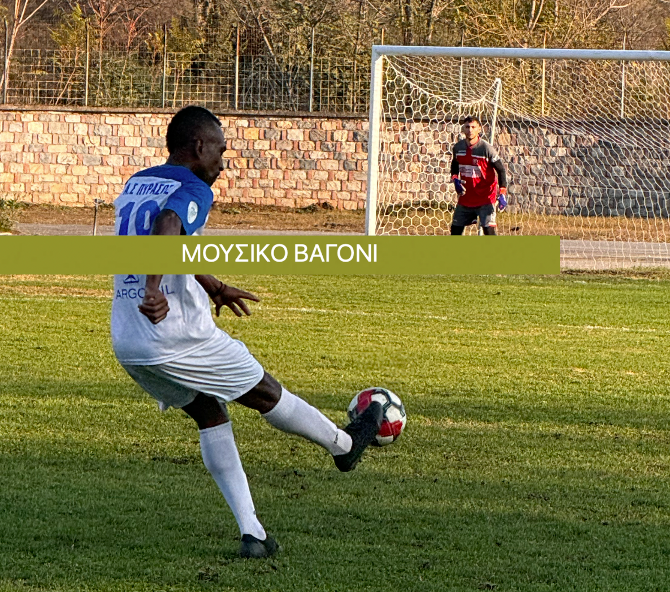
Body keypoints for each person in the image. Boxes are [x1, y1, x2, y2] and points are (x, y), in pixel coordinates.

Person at [111, 105, 382, 560]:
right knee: (265, 391)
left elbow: (167, 241)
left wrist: (211, 283)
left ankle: (253, 534)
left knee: (209, 413)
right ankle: (345, 444)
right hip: (175, 333)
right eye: (220, 149)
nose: (224, 160)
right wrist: (156, 289)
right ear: (198, 146)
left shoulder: (138, 182)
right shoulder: (194, 186)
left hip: (129, 340)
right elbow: (167, 228)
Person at [449, 114, 509, 236]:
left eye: (473, 127)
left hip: (486, 198)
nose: (470, 130)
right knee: (455, 230)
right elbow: (454, 165)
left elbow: (501, 170)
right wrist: (455, 180)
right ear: (463, 129)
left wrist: (502, 193)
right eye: (467, 127)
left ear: (479, 129)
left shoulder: (486, 148)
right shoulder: (458, 148)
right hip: (466, 197)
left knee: (489, 230)